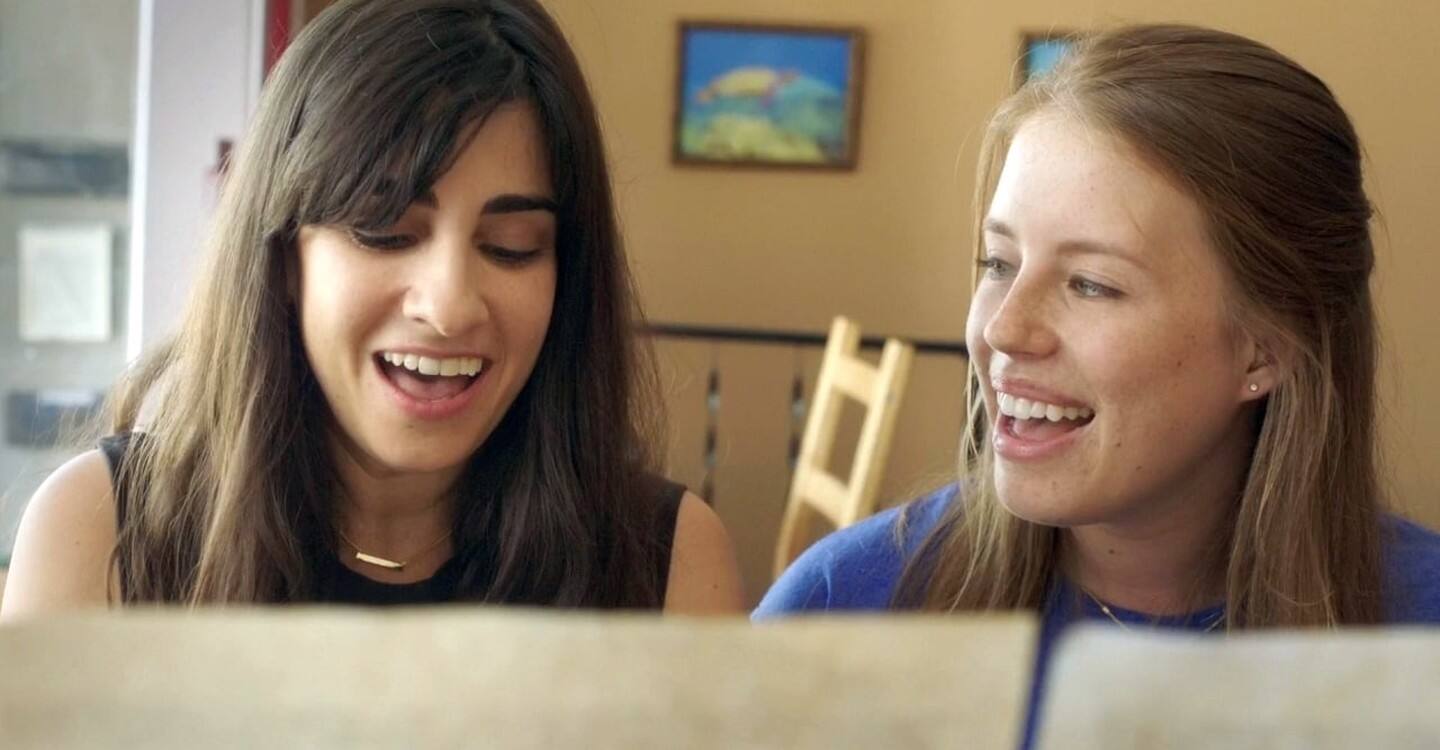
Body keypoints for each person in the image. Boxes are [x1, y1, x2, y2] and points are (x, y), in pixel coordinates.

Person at [755, 22, 1440, 747]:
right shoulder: (840, 610)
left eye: (1091, 283)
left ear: (1264, 350)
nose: (1005, 329)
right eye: (998, 264)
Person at [2, 0, 742, 615]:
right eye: (386, 231)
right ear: (283, 256)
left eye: (511, 246)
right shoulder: (101, 532)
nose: (448, 306)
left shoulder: (668, 561)